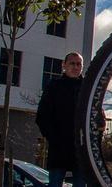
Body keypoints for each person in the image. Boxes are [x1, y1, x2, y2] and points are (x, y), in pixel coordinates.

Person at [36, 52, 87, 187]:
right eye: (72, 63)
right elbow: (42, 115)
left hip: (81, 147)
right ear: (64, 65)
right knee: (55, 182)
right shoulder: (54, 86)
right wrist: (53, 137)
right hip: (59, 146)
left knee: (81, 183)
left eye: (79, 64)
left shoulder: (87, 88)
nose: (76, 67)